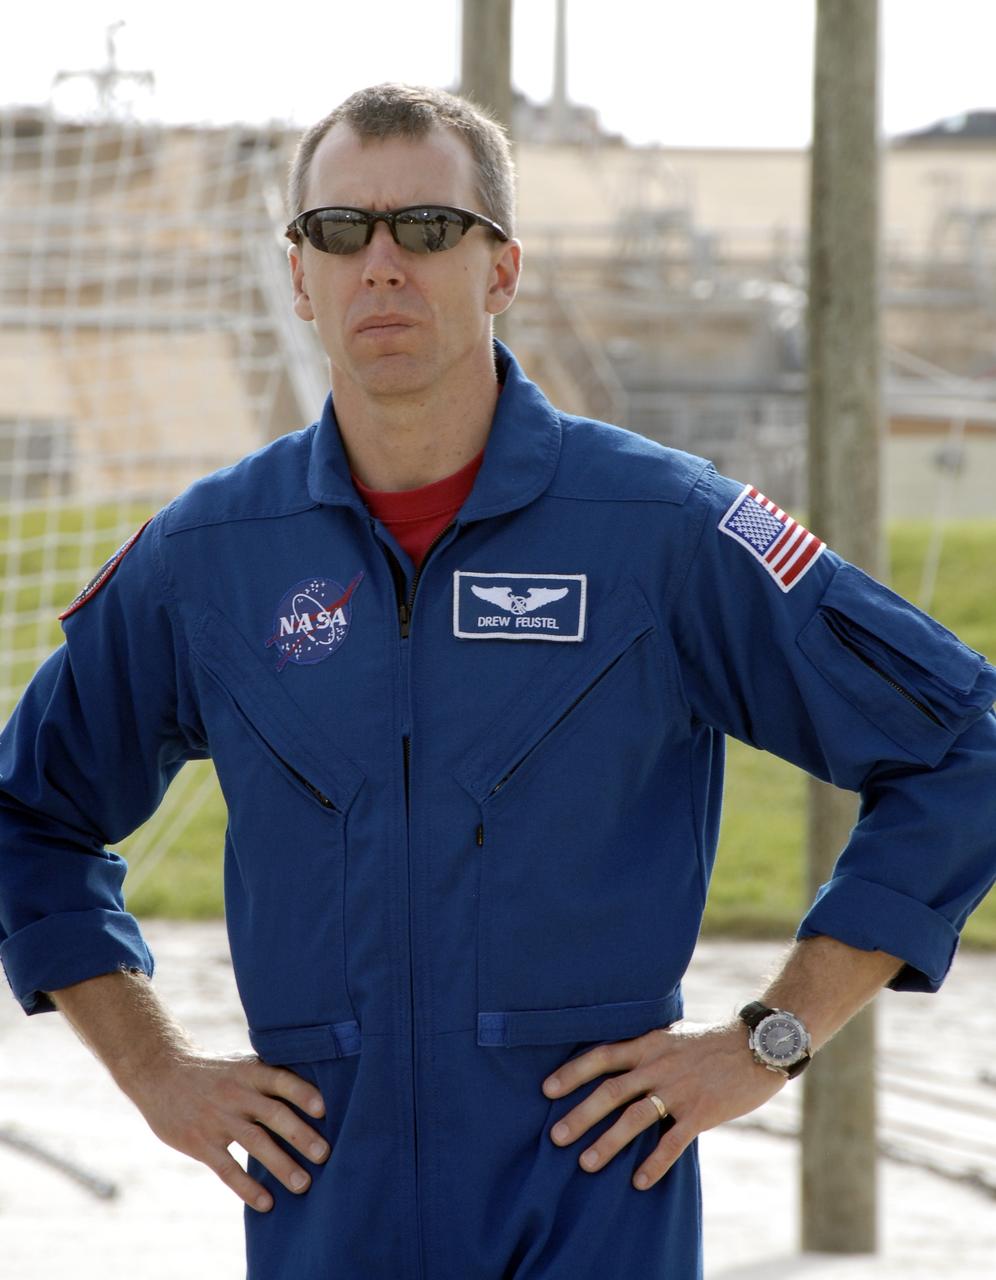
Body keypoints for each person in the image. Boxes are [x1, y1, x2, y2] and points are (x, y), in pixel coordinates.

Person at [1, 82, 995, 1280]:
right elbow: (29, 814)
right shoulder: (207, 557)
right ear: (300, 275)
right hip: (326, 1213)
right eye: (338, 231)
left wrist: (768, 1037)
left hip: (592, 1206)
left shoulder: (661, 532)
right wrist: (156, 1069)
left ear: (503, 270)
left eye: (427, 228)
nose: (381, 264)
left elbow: (963, 741)